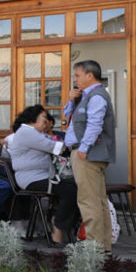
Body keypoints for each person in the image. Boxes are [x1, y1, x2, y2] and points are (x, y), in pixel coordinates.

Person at [63, 60, 115, 253]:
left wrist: (84, 148)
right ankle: (103, 247)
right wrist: (70, 100)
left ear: (89, 76)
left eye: (77, 75)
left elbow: (95, 124)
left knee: (88, 201)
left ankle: (94, 249)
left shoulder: (96, 96)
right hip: (88, 153)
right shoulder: (85, 96)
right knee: (99, 201)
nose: (75, 79)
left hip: (88, 154)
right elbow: (67, 118)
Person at [8, 105, 78, 245]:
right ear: (33, 119)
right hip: (31, 178)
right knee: (72, 190)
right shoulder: (26, 132)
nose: (46, 123)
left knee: (76, 188)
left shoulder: (34, 133)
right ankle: (57, 224)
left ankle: (59, 221)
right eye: (44, 119)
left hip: (43, 176)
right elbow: (55, 147)